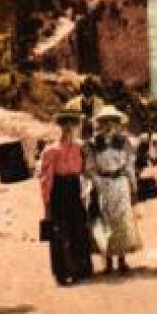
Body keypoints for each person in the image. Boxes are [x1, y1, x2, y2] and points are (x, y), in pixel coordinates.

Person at [39, 109, 93, 286]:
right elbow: (46, 179)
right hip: (59, 191)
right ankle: (62, 273)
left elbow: (84, 171)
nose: (69, 130)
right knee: (59, 231)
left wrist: (86, 191)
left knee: (78, 228)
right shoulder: (51, 150)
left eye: (72, 126)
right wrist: (46, 203)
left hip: (74, 188)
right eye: (66, 126)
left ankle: (80, 269)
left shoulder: (79, 147)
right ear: (61, 128)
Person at [85, 105, 141, 274]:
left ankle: (122, 259)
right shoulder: (93, 143)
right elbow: (89, 167)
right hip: (103, 183)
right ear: (100, 123)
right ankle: (108, 260)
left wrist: (133, 187)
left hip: (120, 183)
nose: (109, 125)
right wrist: (96, 183)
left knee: (122, 220)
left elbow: (130, 165)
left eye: (113, 121)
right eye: (105, 121)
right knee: (105, 220)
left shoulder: (124, 142)